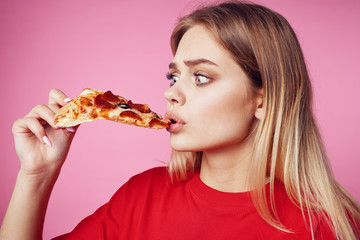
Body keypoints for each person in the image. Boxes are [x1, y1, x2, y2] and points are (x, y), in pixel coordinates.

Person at [1, 1, 359, 239]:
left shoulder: (325, 225)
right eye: (174, 77)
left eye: (201, 77)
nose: (171, 94)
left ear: (262, 100)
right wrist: (37, 175)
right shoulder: (141, 197)